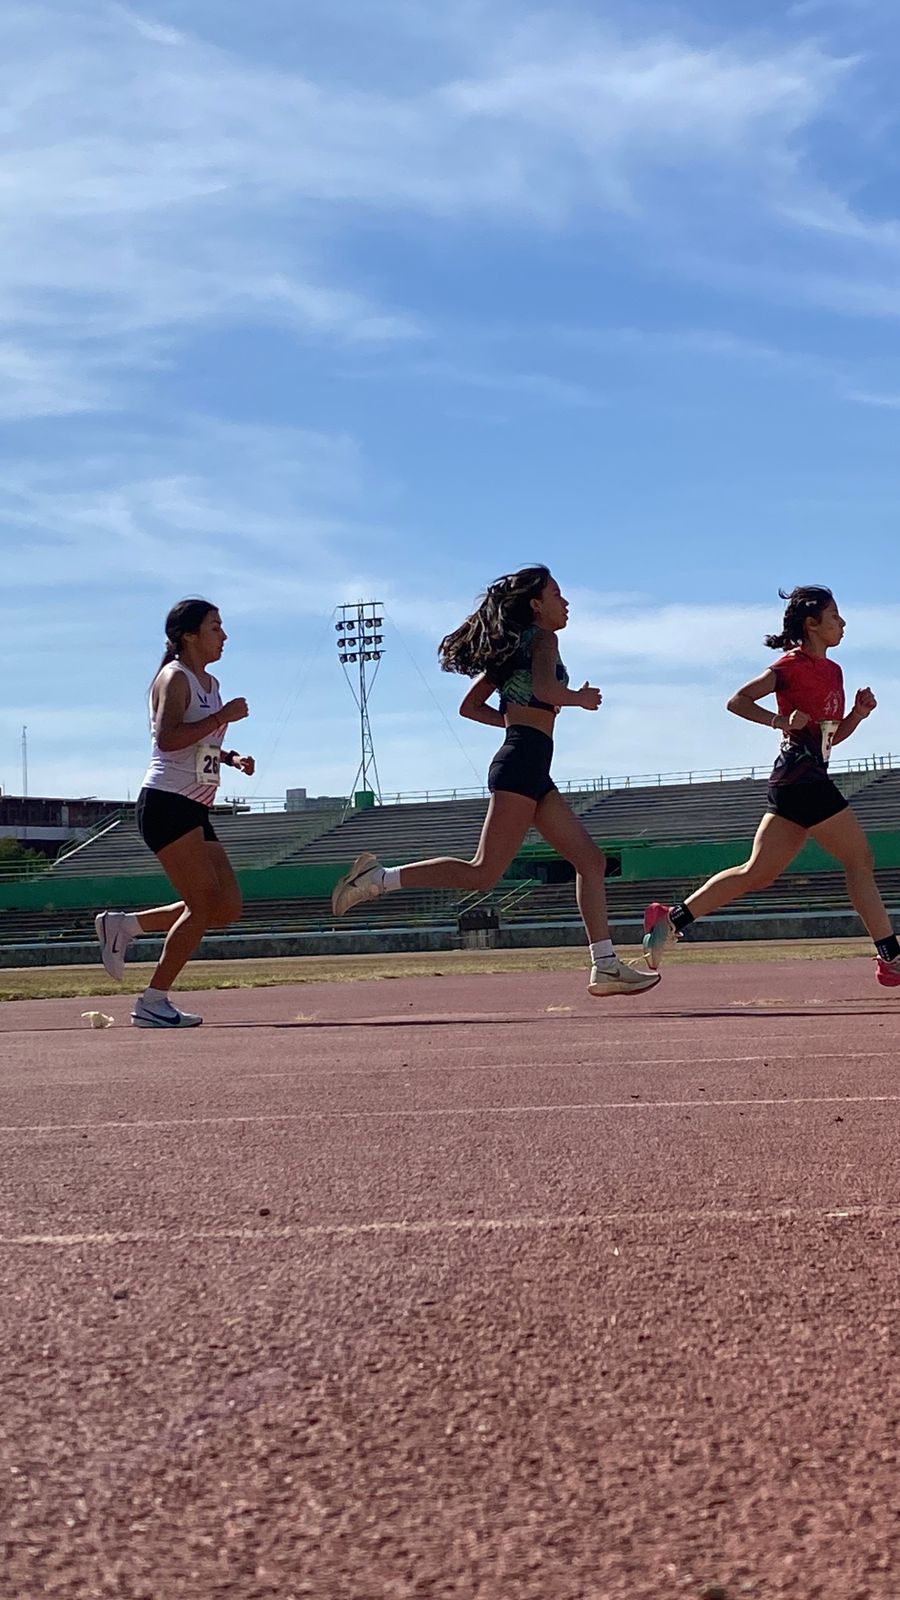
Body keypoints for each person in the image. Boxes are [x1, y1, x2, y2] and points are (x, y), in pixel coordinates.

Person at [331, 566, 659, 997]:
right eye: (557, 595)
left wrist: (517, 721)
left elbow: (470, 706)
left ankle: (606, 965)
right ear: (536, 605)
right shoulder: (544, 640)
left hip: (529, 764)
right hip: (522, 763)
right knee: (483, 873)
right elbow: (545, 689)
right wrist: (577, 698)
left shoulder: (512, 648)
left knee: (591, 862)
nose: (565, 603)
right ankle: (378, 878)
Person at [642, 584, 900, 987]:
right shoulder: (790, 666)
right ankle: (891, 956)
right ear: (812, 624)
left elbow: (829, 739)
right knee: (859, 858)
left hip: (801, 779)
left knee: (757, 872)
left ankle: (671, 918)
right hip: (801, 778)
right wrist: (779, 721)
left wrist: (857, 714)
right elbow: (738, 701)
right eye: (835, 616)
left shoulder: (834, 671)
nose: (843, 623)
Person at [94, 598, 255, 1027]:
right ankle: (152, 1002)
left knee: (227, 907)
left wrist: (231, 757)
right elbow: (167, 739)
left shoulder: (210, 682)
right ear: (188, 635)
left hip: (194, 807)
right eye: (215, 627)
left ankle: (126, 926)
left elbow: (200, 743)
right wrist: (223, 716)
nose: (224, 636)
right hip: (166, 803)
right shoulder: (175, 677)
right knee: (202, 905)